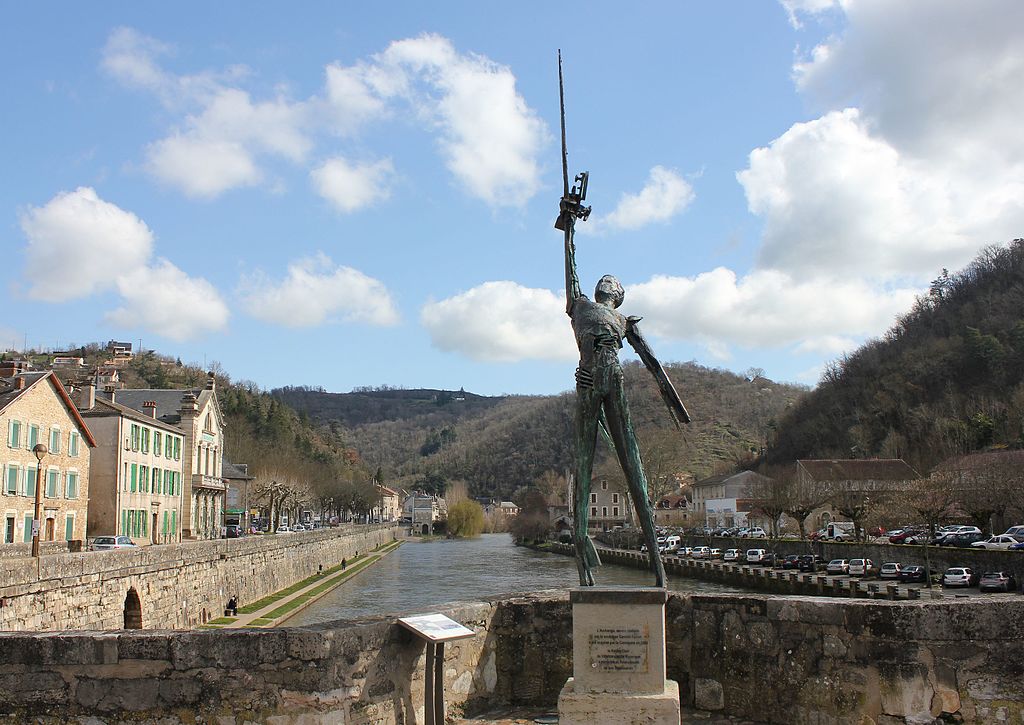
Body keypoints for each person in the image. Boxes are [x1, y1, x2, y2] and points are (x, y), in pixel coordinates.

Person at [559, 193, 688, 589]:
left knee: (634, 469)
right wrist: (569, 228)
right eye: (605, 279)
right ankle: (583, 560)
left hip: (612, 382)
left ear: (617, 296)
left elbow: (652, 361)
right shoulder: (579, 305)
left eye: (611, 282)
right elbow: (571, 270)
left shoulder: (622, 320)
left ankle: (658, 569)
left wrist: (674, 405)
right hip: (587, 383)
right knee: (581, 469)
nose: (606, 280)